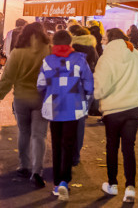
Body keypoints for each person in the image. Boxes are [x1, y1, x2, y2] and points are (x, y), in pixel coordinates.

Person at [94, 27, 138, 203]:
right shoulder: (134, 54)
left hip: (113, 109)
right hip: (134, 107)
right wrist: (137, 91)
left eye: (104, 38)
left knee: (112, 147)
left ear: (110, 40)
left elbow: (100, 87)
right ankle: (130, 188)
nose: (102, 41)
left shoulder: (106, 58)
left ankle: (112, 185)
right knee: (129, 148)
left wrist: (99, 98)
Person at [0, 22, 52, 189]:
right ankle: (37, 171)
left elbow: (8, 77)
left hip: (21, 99)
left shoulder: (17, 53)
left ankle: (23, 166)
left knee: (24, 132)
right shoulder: (49, 51)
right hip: (41, 99)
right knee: (39, 136)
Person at [36, 29, 94, 202]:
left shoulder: (48, 61)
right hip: (74, 108)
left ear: (54, 44)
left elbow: (40, 85)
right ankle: (64, 181)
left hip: (54, 108)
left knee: (56, 144)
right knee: (68, 145)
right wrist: (86, 97)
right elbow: (89, 85)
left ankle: (55, 184)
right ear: (70, 43)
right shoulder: (79, 60)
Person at [68, 25, 98, 166]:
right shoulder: (92, 48)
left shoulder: (71, 47)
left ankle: (66, 152)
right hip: (86, 87)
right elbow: (97, 65)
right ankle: (75, 156)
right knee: (80, 122)